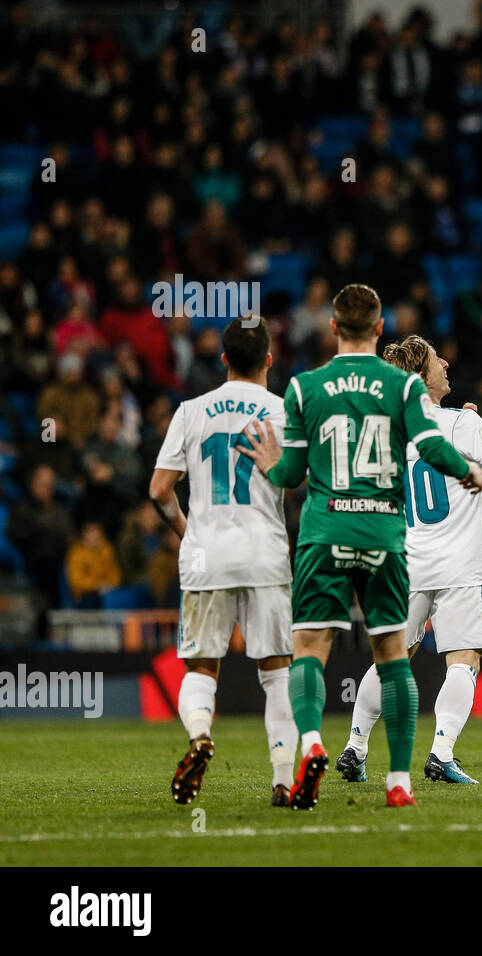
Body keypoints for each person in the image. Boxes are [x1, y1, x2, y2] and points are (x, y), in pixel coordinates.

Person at [239, 285, 482, 809]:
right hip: (383, 535)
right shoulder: (402, 388)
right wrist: (465, 469)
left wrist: (268, 462)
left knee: (309, 650)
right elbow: (433, 444)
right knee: (395, 656)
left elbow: (292, 473)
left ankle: (312, 744)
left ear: (331, 328)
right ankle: (399, 781)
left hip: (325, 532)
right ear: (378, 328)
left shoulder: (305, 387)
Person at [336, 335, 482, 785]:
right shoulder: (460, 422)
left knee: (392, 659)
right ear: (423, 377)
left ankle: (355, 745)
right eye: (436, 359)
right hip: (459, 565)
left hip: (406, 564)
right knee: (464, 660)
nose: (445, 361)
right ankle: (442, 753)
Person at [149, 317, 297, 807]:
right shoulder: (282, 412)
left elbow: (159, 491)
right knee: (277, 672)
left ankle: (199, 736)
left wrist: (189, 533)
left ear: (223, 359)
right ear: (269, 361)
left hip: (206, 556)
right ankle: (281, 781)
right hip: (265, 554)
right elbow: (302, 480)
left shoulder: (191, 411)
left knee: (201, 667)